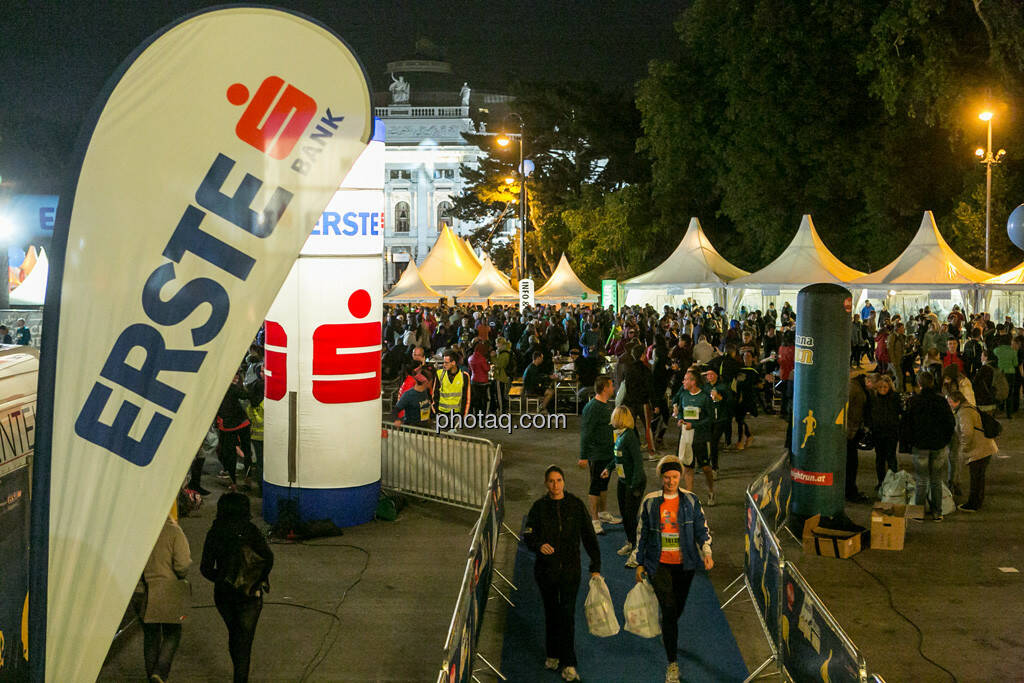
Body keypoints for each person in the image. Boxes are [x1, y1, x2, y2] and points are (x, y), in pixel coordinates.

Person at [635, 455, 714, 683]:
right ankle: (672, 663)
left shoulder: (691, 500)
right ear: (661, 477)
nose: (671, 481)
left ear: (680, 476)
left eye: (675, 477)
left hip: (685, 564)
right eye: (667, 477)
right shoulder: (650, 502)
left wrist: (706, 552)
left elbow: (702, 528)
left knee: (676, 609)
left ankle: (667, 627)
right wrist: (639, 562)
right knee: (669, 609)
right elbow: (642, 533)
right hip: (657, 563)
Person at [523, 466, 602, 682]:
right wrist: (539, 546)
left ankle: (569, 663)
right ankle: (552, 654)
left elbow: (588, 536)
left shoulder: (575, 505)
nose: (555, 485)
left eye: (559, 480)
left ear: (564, 482)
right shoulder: (538, 507)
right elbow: (528, 535)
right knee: (551, 613)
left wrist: (596, 565)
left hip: (570, 571)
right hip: (545, 572)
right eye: (551, 481)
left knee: (566, 616)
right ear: (546, 483)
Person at [201, 493, 274, 683]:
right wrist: (255, 579)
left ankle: (238, 671)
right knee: (245, 641)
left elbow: (205, 568)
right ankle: (240, 678)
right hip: (249, 595)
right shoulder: (251, 531)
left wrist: (224, 578)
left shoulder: (215, 532)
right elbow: (268, 558)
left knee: (234, 634)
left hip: (224, 596)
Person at [141, 513, 191, 683]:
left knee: (150, 636)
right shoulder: (173, 531)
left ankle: (152, 677)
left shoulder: (139, 530)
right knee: (172, 632)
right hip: (166, 589)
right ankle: (160, 673)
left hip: (142, 591)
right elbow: (183, 564)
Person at [902, 372, 956, 521]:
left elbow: (907, 425)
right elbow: (950, 423)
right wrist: (944, 440)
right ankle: (937, 512)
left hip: (920, 446)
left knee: (921, 480)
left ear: (919, 384)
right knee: (936, 480)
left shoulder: (914, 401)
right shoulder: (941, 401)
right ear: (933, 382)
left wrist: (910, 442)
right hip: (938, 445)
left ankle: (918, 514)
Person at [601, 406, 646, 565]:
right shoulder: (620, 436)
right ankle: (630, 542)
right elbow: (619, 457)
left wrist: (634, 486)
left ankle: (637, 548)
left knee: (630, 515)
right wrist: (608, 467)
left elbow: (638, 463)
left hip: (633, 482)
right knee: (624, 515)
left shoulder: (629, 436)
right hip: (622, 481)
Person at [577, 375, 620, 534]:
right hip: (597, 455)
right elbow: (586, 433)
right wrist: (583, 456)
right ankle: (594, 520)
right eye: (611, 386)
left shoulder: (607, 406)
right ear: (604, 388)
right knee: (595, 486)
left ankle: (603, 513)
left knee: (604, 484)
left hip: (608, 454)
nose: (613, 388)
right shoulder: (592, 408)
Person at [672, 368, 716, 505]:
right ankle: (689, 495)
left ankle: (711, 491)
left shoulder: (704, 398)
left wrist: (695, 425)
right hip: (686, 437)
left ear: (693, 381)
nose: (683, 381)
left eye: (686, 379)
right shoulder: (684, 395)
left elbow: (710, 419)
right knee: (688, 467)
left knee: (705, 468)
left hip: (700, 438)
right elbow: (680, 411)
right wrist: (680, 419)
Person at [948, 391, 997, 512]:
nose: (949, 404)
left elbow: (967, 432)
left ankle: (973, 504)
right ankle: (977, 501)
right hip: (984, 447)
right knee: (979, 477)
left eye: (950, 401)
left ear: (957, 401)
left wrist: (964, 448)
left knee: (976, 478)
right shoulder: (968, 407)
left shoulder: (964, 412)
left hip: (979, 449)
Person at [216, 372, 252, 488]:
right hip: (241, 422)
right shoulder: (232, 388)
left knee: (229, 454)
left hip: (227, 426)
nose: (236, 378)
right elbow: (245, 395)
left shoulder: (219, 388)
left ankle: (233, 482)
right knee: (246, 450)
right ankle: (248, 477)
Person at [868, 375, 901, 492]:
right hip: (878, 433)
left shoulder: (895, 398)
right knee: (880, 459)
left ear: (890, 387)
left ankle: (893, 482)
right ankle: (881, 482)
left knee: (891, 457)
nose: (883, 389)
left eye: (885, 386)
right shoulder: (873, 398)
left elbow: (900, 413)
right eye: (880, 386)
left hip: (891, 433)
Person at [437, 351, 471, 419]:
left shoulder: (464, 376)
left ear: (453, 363)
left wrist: (463, 415)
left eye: (446, 363)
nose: (444, 365)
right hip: (442, 413)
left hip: (457, 414)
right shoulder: (439, 374)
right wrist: (436, 412)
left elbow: (466, 397)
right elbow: (435, 394)